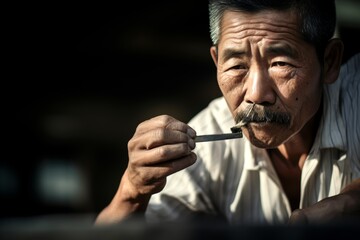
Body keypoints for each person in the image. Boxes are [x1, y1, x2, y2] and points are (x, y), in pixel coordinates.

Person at [95, 0, 360, 225]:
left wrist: (348, 202)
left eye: (280, 63)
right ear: (217, 61)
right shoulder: (205, 143)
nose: (256, 94)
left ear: (329, 61)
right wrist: (132, 190)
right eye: (236, 66)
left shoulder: (355, 98)